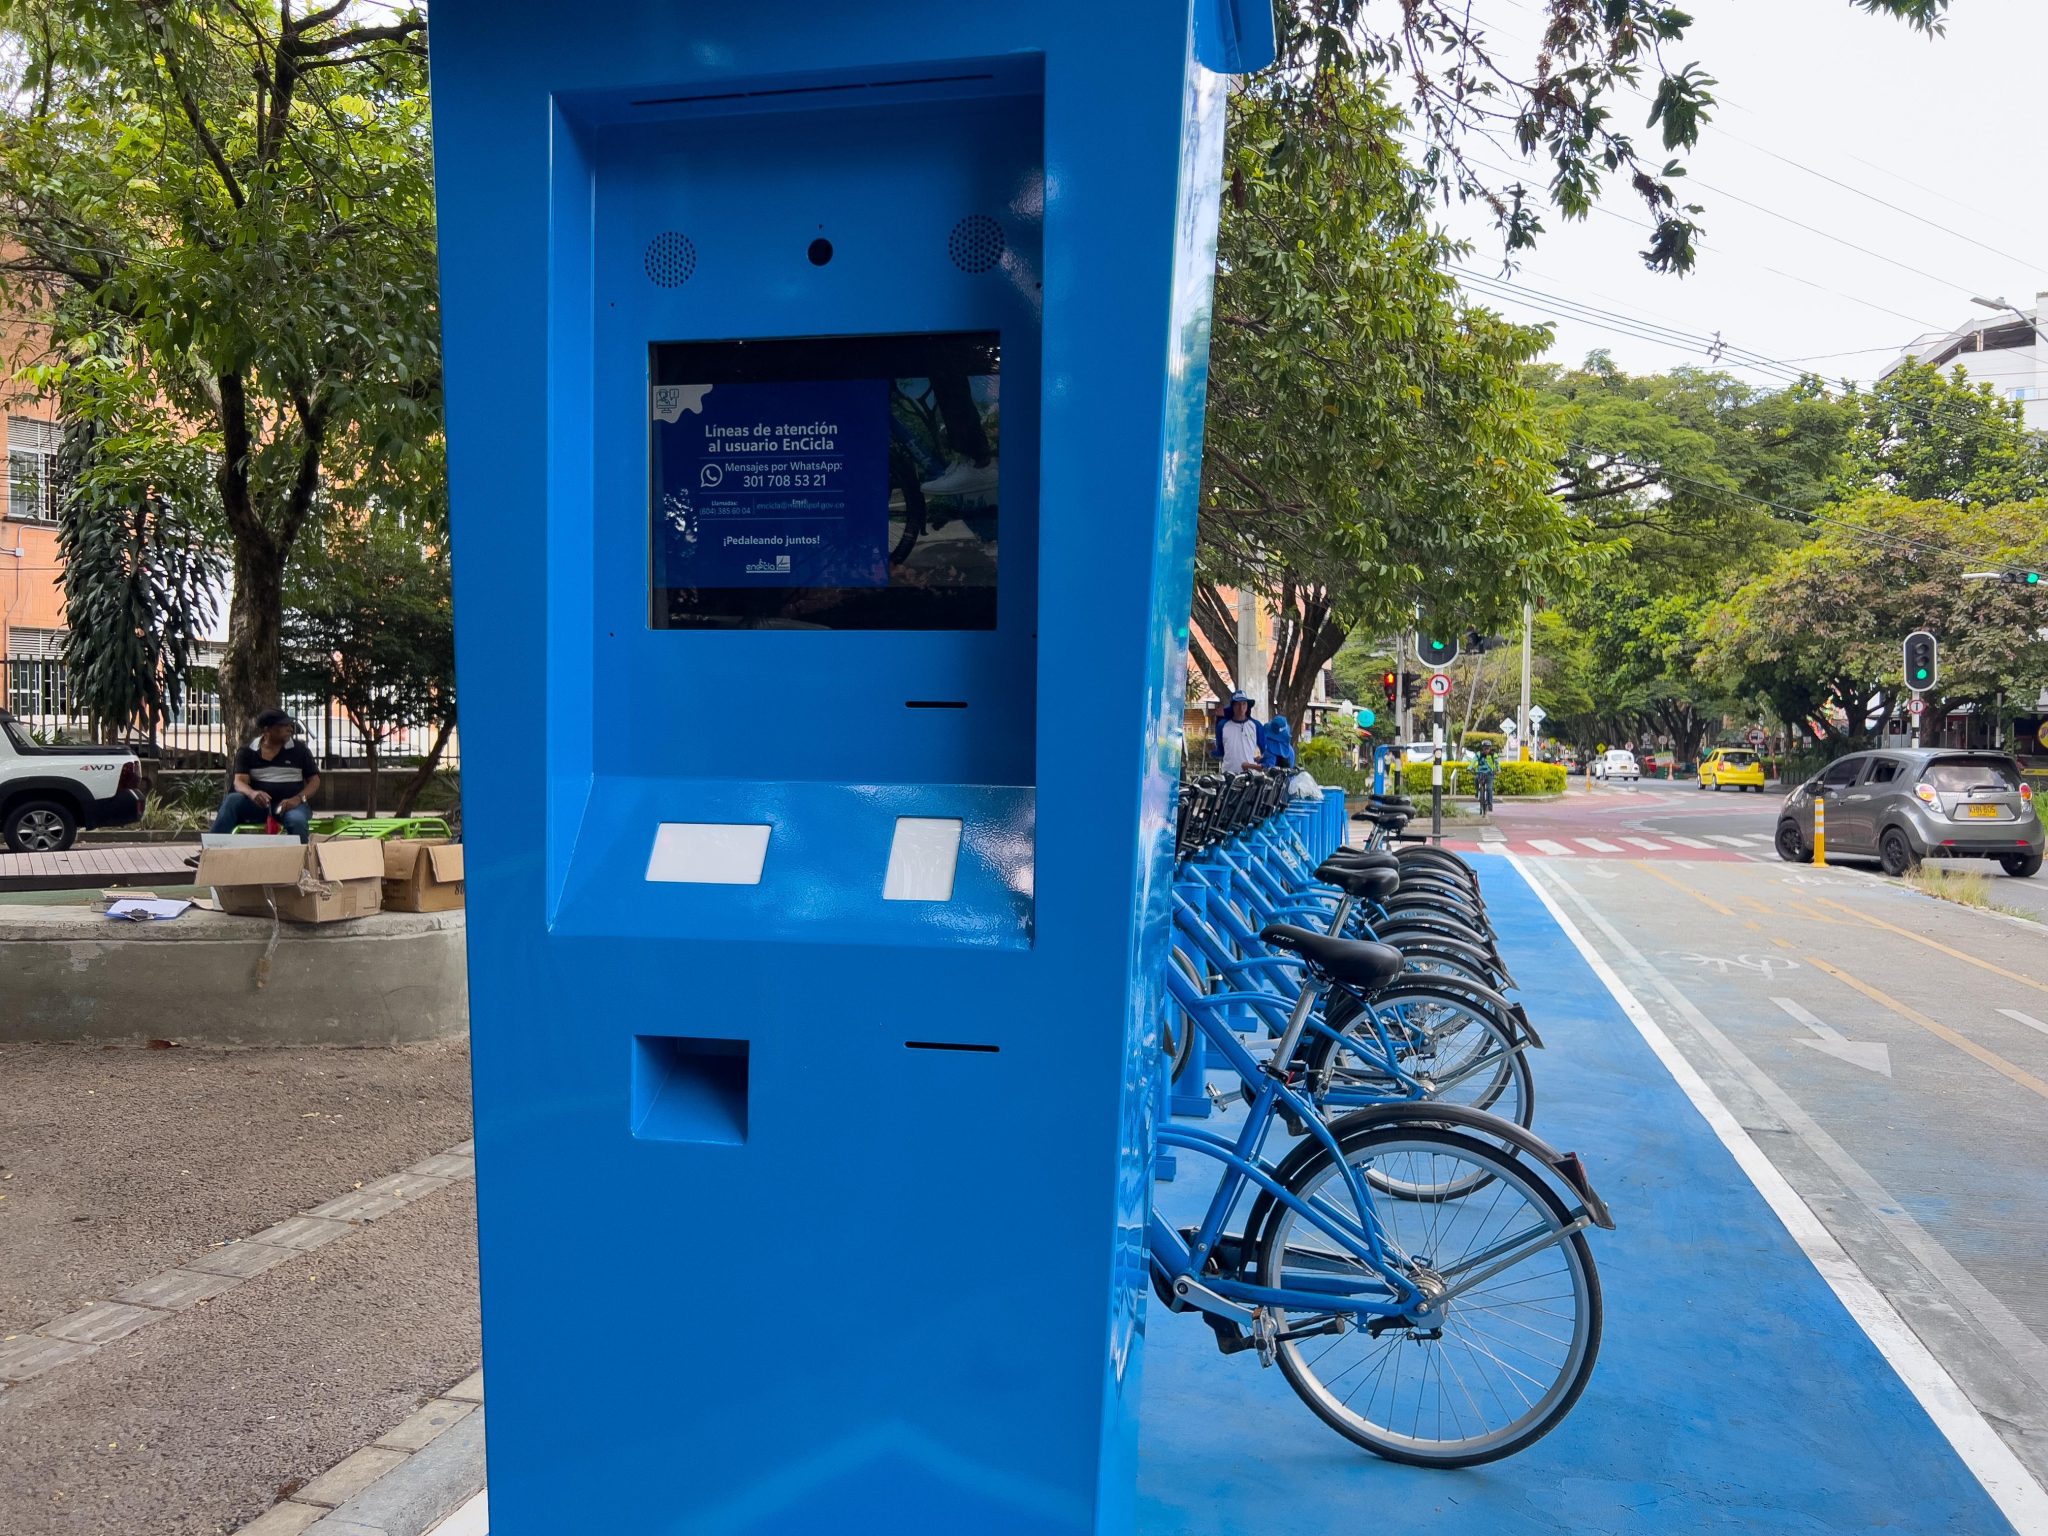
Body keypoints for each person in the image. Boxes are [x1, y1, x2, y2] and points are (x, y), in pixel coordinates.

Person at [211, 709, 321, 841]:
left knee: (296, 820)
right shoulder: (247, 751)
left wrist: (298, 799)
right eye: (283, 726)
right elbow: (239, 782)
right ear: (267, 730)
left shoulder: (300, 750)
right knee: (232, 800)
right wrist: (253, 794)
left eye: (290, 725)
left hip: (292, 806)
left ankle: (302, 858)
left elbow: (315, 781)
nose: (290, 729)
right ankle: (209, 852)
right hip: (259, 807)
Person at [1217, 692, 1263, 774]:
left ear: (1247, 706)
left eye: (1244, 704)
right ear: (1233, 706)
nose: (1241, 708)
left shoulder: (1256, 725)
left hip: (1250, 774)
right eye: (1237, 705)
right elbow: (1221, 749)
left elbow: (1264, 749)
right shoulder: (1223, 726)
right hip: (1229, 773)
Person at [1474, 746, 1499, 814]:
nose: (1486, 750)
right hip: (1480, 773)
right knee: (1476, 779)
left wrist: (1498, 770)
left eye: (1488, 748)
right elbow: (1474, 761)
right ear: (1483, 749)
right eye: (1485, 748)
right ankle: (1477, 792)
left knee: (1489, 789)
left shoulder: (1493, 754)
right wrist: (1470, 768)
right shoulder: (1479, 754)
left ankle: (1490, 805)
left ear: (1490, 749)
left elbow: (1497, 763)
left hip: (1490, 774)